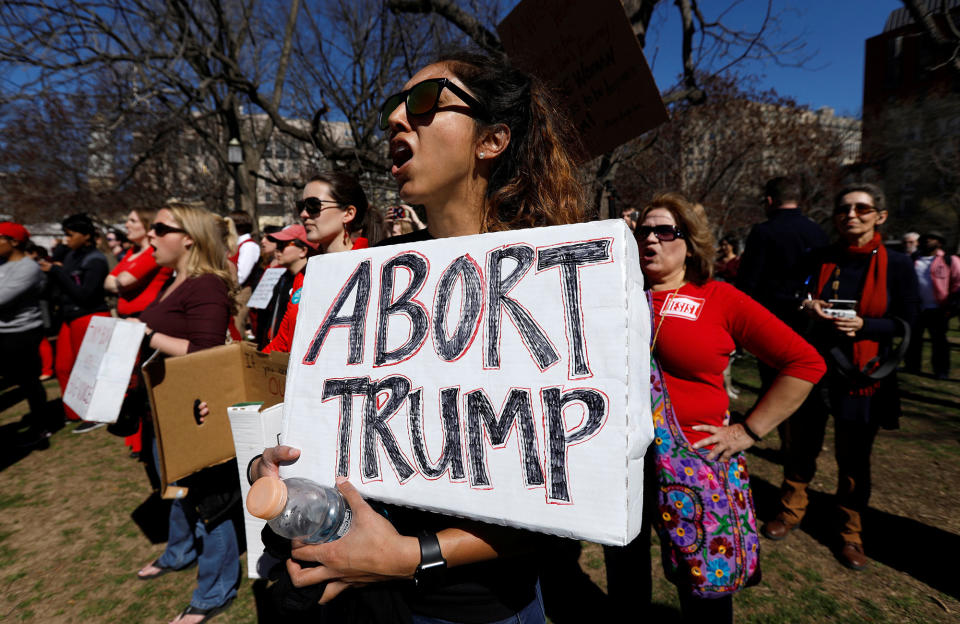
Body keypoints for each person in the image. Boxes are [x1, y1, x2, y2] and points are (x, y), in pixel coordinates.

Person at [249, 50, 587, 623]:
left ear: (492, 140)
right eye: (394, 108)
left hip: (474, 608)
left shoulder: (559, 278)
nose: (397, 121)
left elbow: (575, 497)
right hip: (361, 597)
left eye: (426, 102)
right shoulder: (371, 277)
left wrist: (407, 556)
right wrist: (285, 470)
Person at [627, 192, 824, 622]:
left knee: (703, 586)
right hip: (627, 467)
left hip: (697, 465)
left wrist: (748, 431)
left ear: (690, 241)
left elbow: (805, 363)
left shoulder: (719, 298)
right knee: (625, 573)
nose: (651, 240)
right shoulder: (618, 297)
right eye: (643, 230)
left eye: (665, 231)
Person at [763, 183, 919, 571]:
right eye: (843, 208)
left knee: (854, 458)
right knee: (801, 446)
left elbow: (907, 322)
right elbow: (780, 295)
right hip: (814, 369)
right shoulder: (817, 257)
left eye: (862, 208)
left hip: (864, 375)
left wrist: (867, 325)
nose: (851, 215)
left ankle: (851, 531)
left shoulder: (897, 265)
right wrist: (806, 303)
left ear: (880, 216)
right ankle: (790, 509)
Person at [134, 203, 240, 624]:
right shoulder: (172, 280)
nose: (151, 236)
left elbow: (209, 353)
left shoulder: (206, 285)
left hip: (196, 414)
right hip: (164, 410)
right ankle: (178, 552)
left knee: (212, 504)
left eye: (160, 228)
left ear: (189, 238)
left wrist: (149, 336)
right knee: (176, 492)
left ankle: (215, 591)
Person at [262, 171, 370, 354]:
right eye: (301, 206)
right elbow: (284, 342)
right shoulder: (305, 274)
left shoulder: (375, 267)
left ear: (348, 213)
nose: (304, 214)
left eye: (313, 206)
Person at [104, 208, 174, 455]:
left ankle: (144, 443)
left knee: (142, 388)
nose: (127, 224)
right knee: (129, 384)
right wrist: (120, 279)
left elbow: (121, 281)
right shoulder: (133, 253)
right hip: (128, 325)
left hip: (144, 328)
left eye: (132, 220)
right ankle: (138, 440)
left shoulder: (151, 254)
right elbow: (110, 280)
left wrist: (121, 281)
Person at [38, 213, 111, 430]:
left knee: (88, 369)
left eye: (70, 235)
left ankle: (96, 413)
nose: (67, 239)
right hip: (70, 318)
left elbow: (85, 295)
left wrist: (58, 272)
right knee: (63, 366)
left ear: (86, 235)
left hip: (89, 315)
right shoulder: (71, 256)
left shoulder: (95, 260)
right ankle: (75, 412)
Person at [0, 222, 52, 446]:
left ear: (14, 242)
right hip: (3, 332)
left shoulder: (28, 268)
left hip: (22, 333)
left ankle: (41, 427)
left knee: (28, 382)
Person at [904, 230, 960, 379]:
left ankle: (941, 371)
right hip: (916, 308)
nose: (927, 241)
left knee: (939, 341)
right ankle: (911, 367)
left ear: (939, 243)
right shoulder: (912, 259)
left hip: (939, 309)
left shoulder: (950, 260)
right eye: (925, 239)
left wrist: (953, 305)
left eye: (932, 239)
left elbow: (957, 282)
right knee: (913, 339)